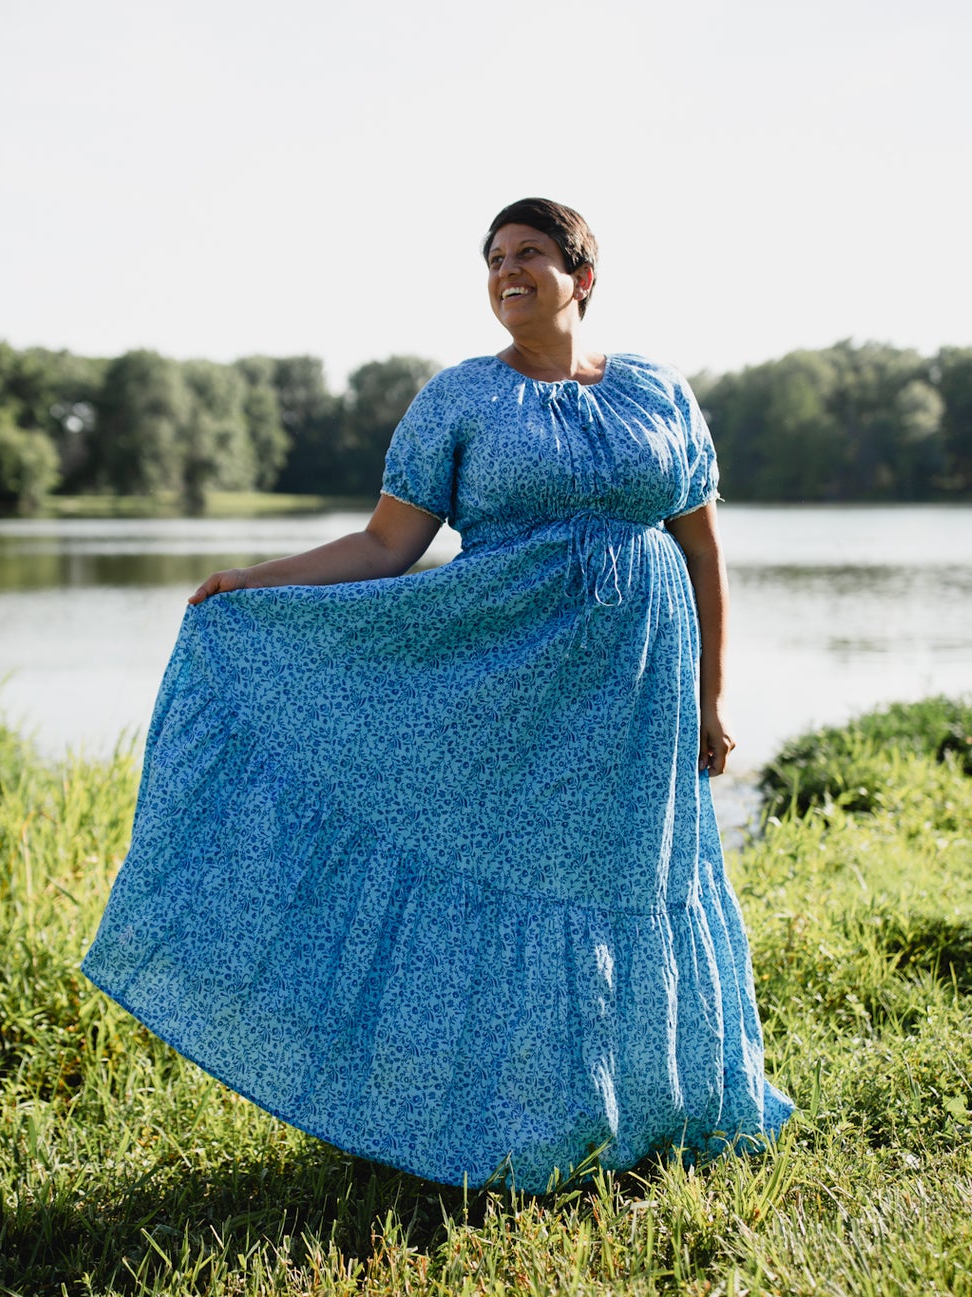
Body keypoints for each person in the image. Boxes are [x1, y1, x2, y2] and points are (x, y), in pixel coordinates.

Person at [82, 198, 792, 1190]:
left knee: (628, 876)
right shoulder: (458, 399)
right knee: (518, 871)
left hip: (638, 685)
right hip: (505, 677)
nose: (508, 271)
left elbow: (700, 545)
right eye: (494, 258)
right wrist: (253, 583)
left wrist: (711, 698)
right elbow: (387, 544)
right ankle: (508, 1121)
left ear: (580, 277)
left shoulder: (657, 391)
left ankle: (653, 1106)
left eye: (531, 255)